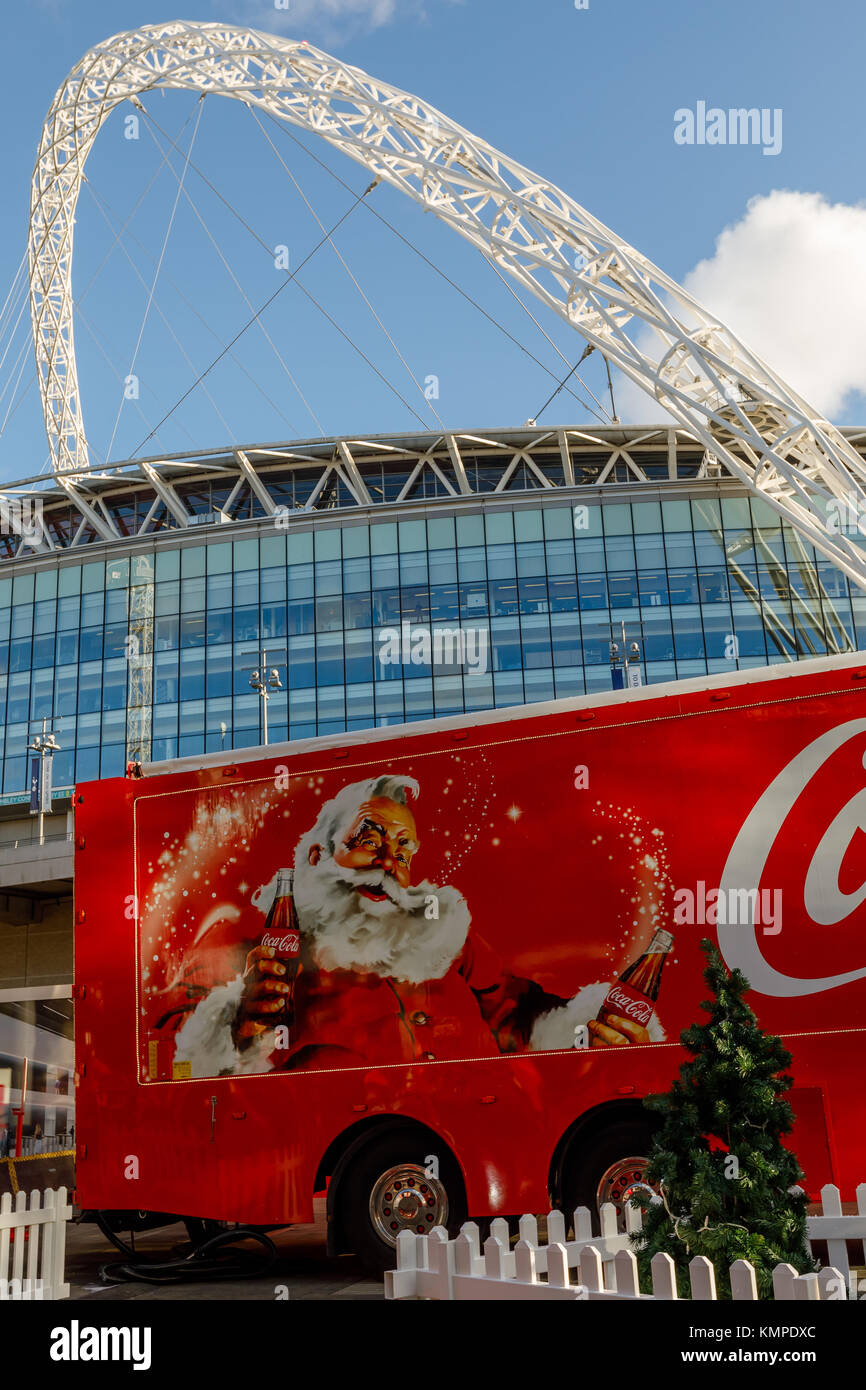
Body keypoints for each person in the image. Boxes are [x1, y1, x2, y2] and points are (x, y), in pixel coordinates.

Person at [152, 774, 664, 1077]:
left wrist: (588, 1033)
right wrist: (240, 1022)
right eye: (370, 840)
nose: (390, 865)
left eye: (403, 850)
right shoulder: (248, 947)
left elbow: (518, 1016)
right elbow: (171, 1054)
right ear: (318, 854)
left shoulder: (446, 939)